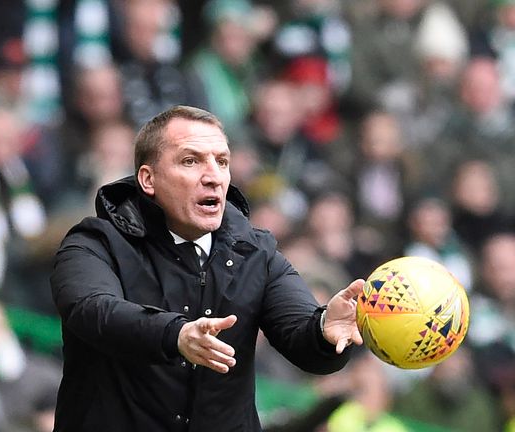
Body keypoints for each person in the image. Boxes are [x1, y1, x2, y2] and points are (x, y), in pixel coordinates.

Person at [50, 105, 364, 431]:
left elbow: (303, 340)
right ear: (148, 179)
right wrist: (177, 334)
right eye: (191, 160)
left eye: (222, 161)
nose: (213, 176)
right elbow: (93, 312)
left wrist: (326, 329)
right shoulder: (95, 243)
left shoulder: (257, 253)